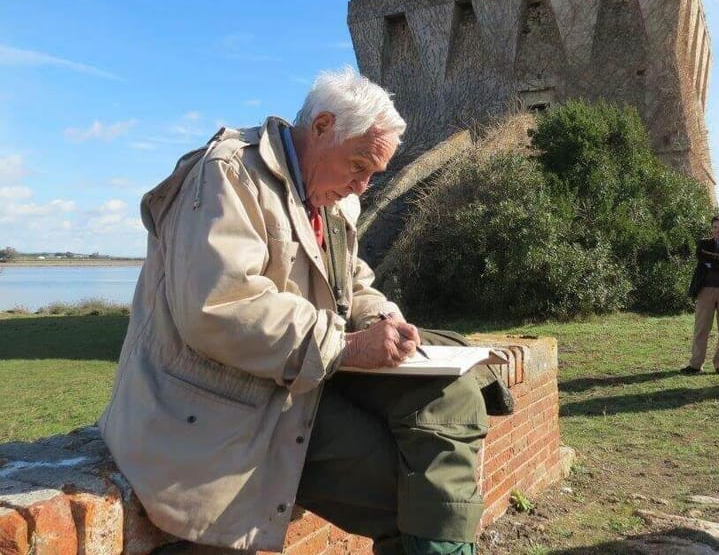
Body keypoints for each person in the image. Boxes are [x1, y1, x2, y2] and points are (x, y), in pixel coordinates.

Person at [100, 67, 508, 555]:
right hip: (224, 400)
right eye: (359, 166)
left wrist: (380, 319)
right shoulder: (228, 174)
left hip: (296, 382)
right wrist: (349, 345)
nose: (363, 186)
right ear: (320, 127)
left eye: (373, 174)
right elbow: (219, 307)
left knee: (448, 402)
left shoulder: (333, 198)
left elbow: (352, 284)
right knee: (415, 497)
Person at [682, 215, 719, 375]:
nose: (717, 230)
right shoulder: (704, 244)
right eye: (715, 227)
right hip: (705, 290)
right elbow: (700, 255)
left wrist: (711, 262)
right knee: (701, 328)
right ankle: (695, 364)